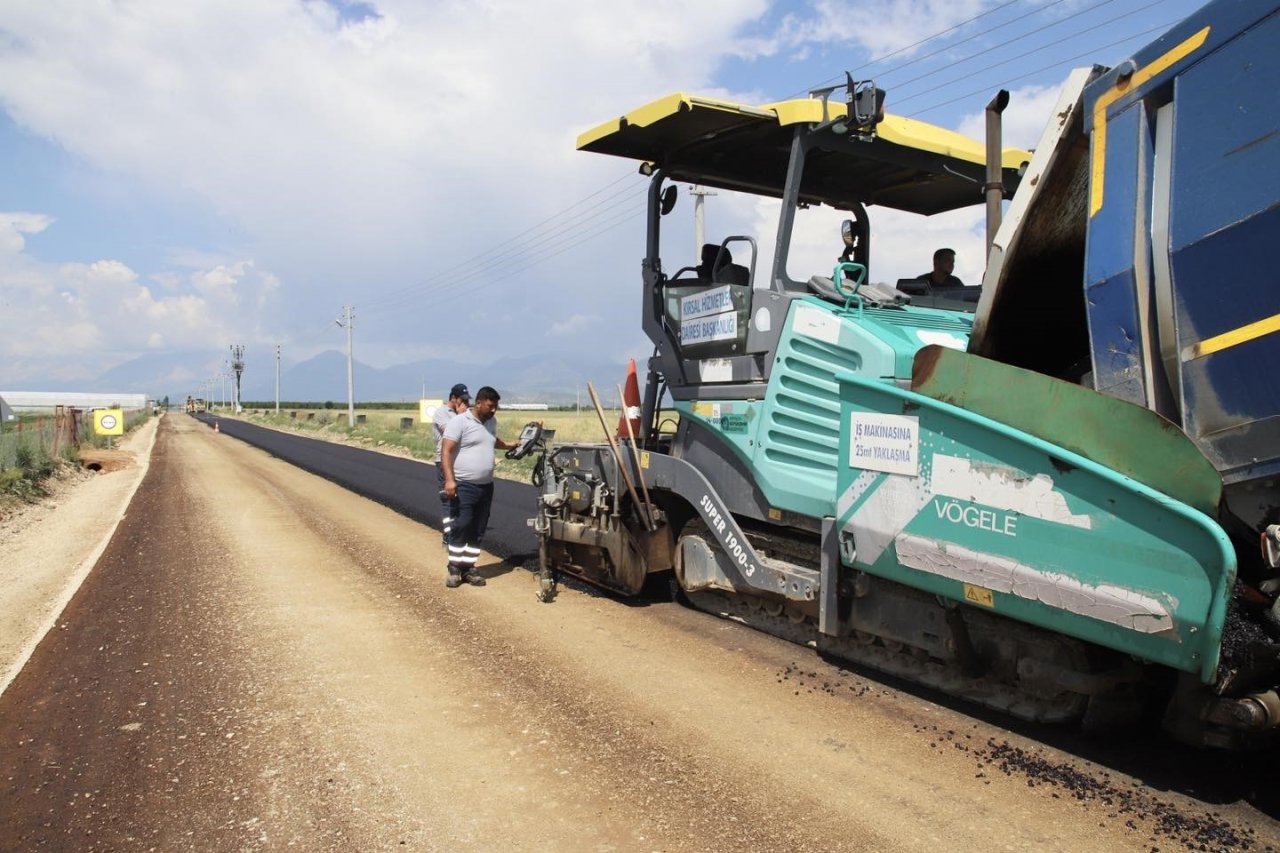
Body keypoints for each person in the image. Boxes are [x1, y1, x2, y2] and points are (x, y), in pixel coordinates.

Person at [439, 385, 520, 588]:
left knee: (478, 529)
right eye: (490, 406)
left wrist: (508, 445)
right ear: (478, 403)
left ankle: (469, 567)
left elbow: (490, 440)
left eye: (496, 406)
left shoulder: (491, 422)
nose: (493, 410)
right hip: (464, 485)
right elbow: (446, 451)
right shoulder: (460, 422)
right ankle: (454, 568)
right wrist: (449, 480)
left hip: (486, 486)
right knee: (462, 525)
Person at [433, 383, 470, 544]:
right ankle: (448, 535)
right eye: (462, 400)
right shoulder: (441, 413)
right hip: (444, 461)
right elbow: (451, 432)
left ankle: (458, 531)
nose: (465, 403)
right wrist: (461, 416)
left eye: (467, 400)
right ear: (453, 398)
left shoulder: (462, 413)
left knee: (461, 499)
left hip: (460, 461)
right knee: (448, 498)